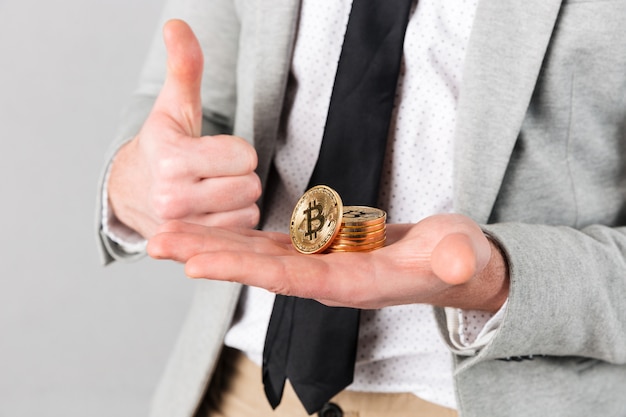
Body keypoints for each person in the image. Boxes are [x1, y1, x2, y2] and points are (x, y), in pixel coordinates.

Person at [97, 0, 626, 416]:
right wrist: (138, 182)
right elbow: (181, 98)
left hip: (497, 396)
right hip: (239, 386)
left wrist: (503, 278)